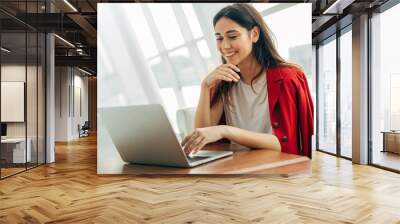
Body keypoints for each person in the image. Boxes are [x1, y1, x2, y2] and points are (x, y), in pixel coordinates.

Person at [181, 3, 314, 158]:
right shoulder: (224, 82)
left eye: (232, 36)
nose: (224, 45)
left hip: (275, 169)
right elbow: (203, 137)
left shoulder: (287, 78)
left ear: (254, 34)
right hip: (237, 167)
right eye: (219, 38)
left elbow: (283, 143)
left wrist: (225, 130)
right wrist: (205, 87)